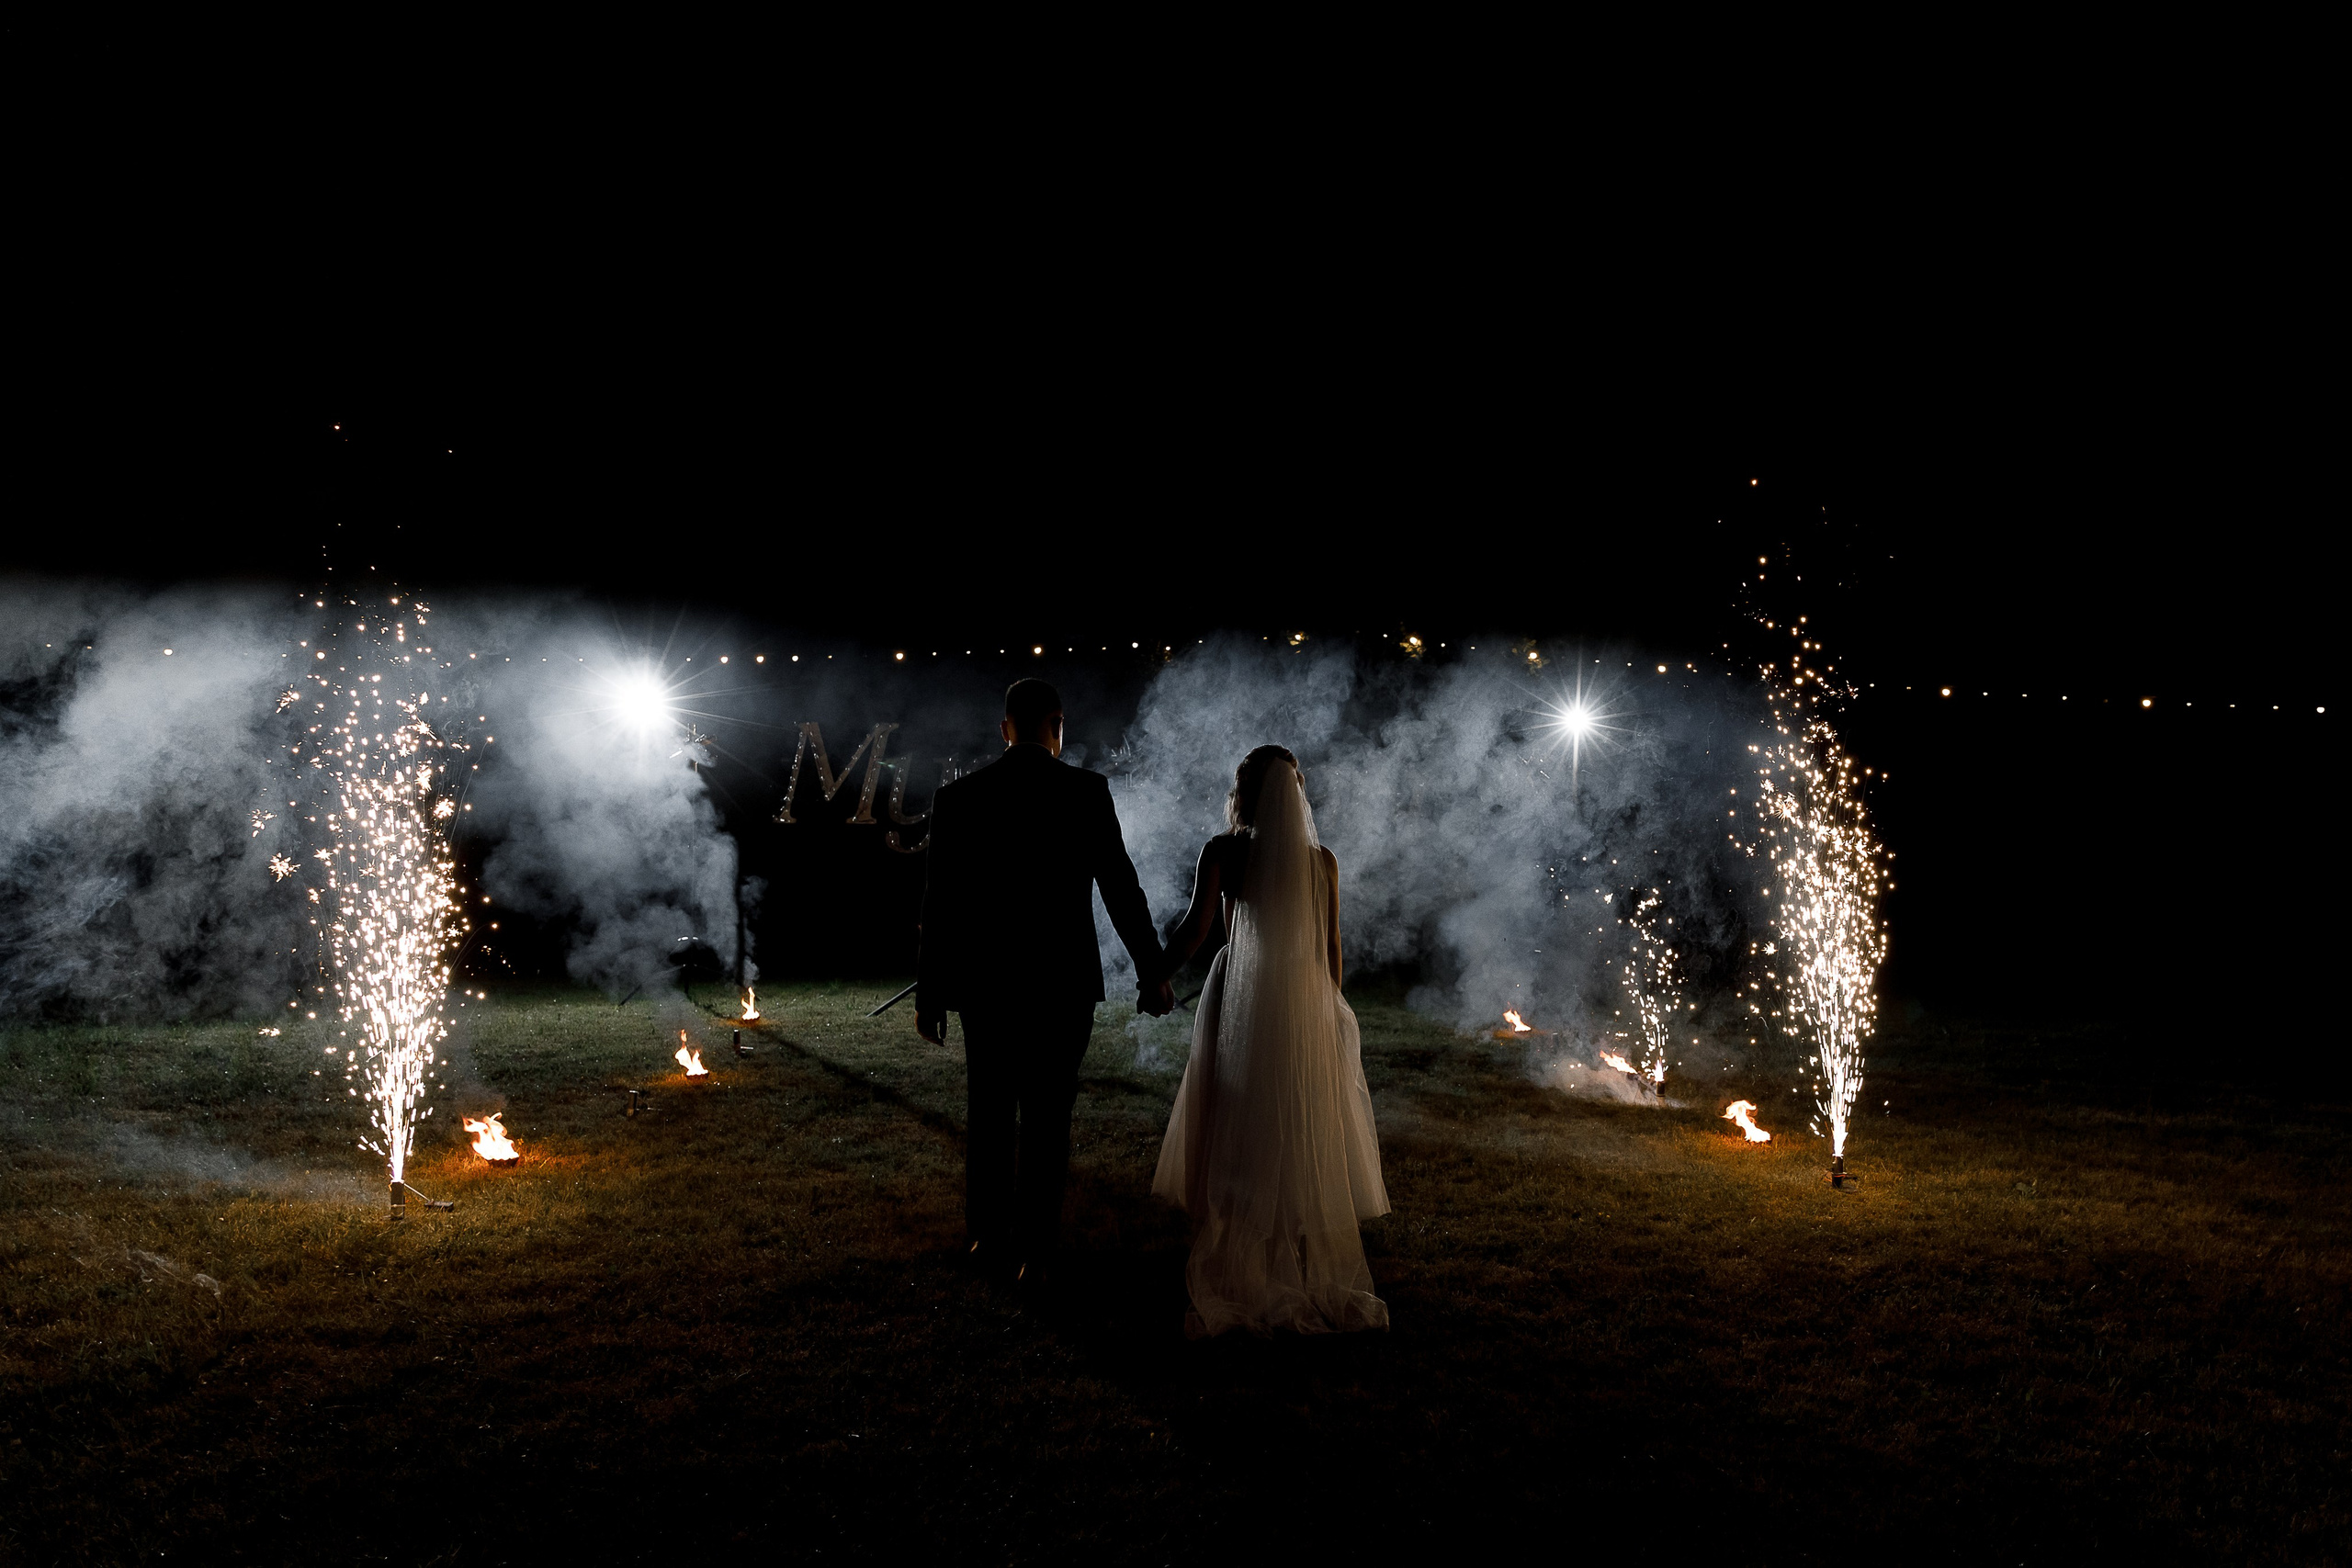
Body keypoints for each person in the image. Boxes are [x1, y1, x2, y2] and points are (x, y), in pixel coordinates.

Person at [916, 679, 1172, 1282]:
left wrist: (931, 994)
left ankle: (987, 1237)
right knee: (1048, 1118)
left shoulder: (960, 797)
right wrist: (1153, 972)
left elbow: (940, 904)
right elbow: (1121, 889)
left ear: (1004, 727)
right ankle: (1037, 1248)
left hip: (988, 983)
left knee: (989, 1110)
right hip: (1062, 982)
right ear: (1058, 725)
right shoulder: (1085, 791)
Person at [1152, 745, 1389, 1335]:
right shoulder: (1322, 862)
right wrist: (1327, 1008)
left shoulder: (1223, 851)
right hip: (1302, 994)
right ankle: (1288, 1237)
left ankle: (1243, 1240)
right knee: (1296, 1112)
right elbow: (1332, 950)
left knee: (1238, 1107)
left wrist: (1155, 973)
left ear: (1246, 793)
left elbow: (1196, 928)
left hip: (1242, 991)